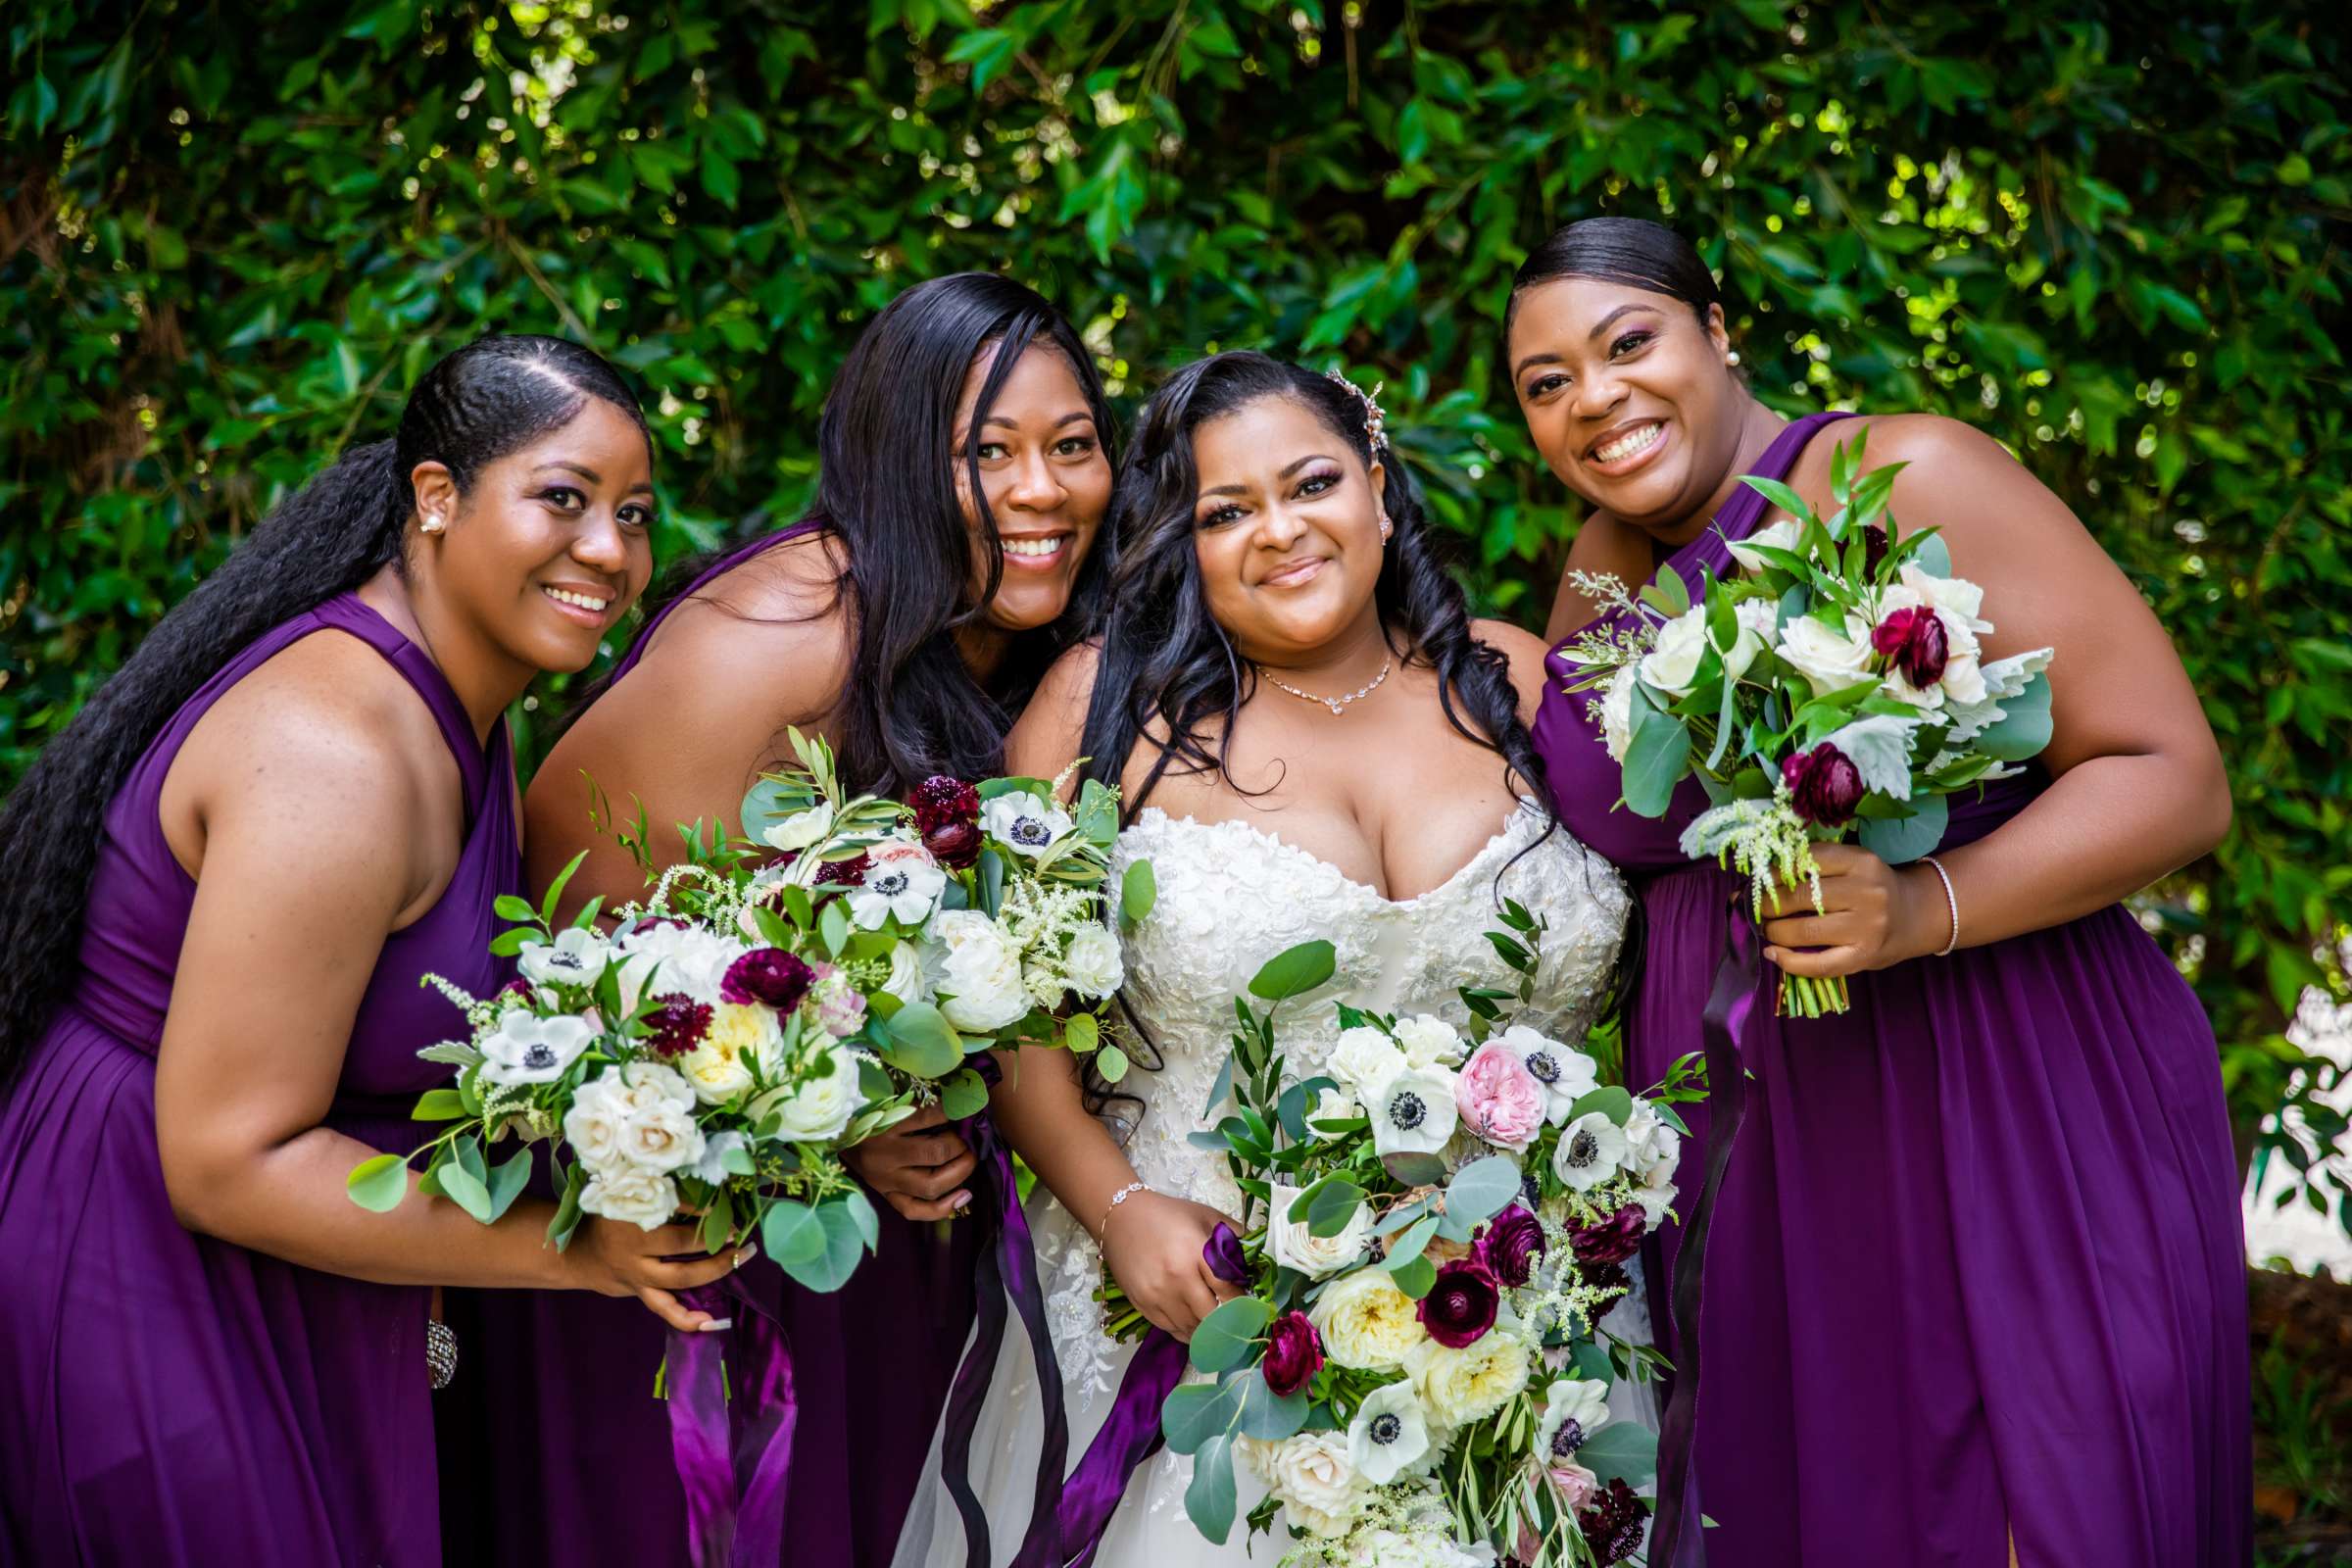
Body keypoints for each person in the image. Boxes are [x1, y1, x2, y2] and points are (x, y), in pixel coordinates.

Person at [1511, 216, 2249, 1567]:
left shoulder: (1903, 471)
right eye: (1547, 383)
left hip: (1998, 1101)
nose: (1595, 399)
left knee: (2038, 1513)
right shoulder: (1596, 572)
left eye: (1629, 343)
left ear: (1717, 330)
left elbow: (2175, 774)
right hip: (1760, 1179)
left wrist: (1925, 908)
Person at [0, 334, 742, 1567]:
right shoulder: (334, 757)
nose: (610, 551)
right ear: (436, 499)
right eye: (563, 498)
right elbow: (225, 1161)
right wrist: (574, 1254)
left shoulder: (473, 702)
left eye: (635, 513)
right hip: (145, 1268)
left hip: (292, 1261)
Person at [892, 351, 1640, 1568]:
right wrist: (1120, 1210)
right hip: (1202, 1325)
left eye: (1310, 485)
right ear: (1179, 543)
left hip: (1522, 1320)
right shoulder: (1102, 711)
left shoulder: (1514, 677)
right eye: (1225, 513)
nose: (1278, 532)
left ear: (1379, 487)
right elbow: (1008, 1010)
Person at [438, 272, 1119, 1568]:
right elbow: (577, 994)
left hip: (874, 1257)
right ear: (898, 457)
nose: (1041, 492)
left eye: (1071, 447)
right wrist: (842, 1129)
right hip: (692, 1276)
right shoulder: (783, 641)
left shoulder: (1018, 642)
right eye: (988, 452)